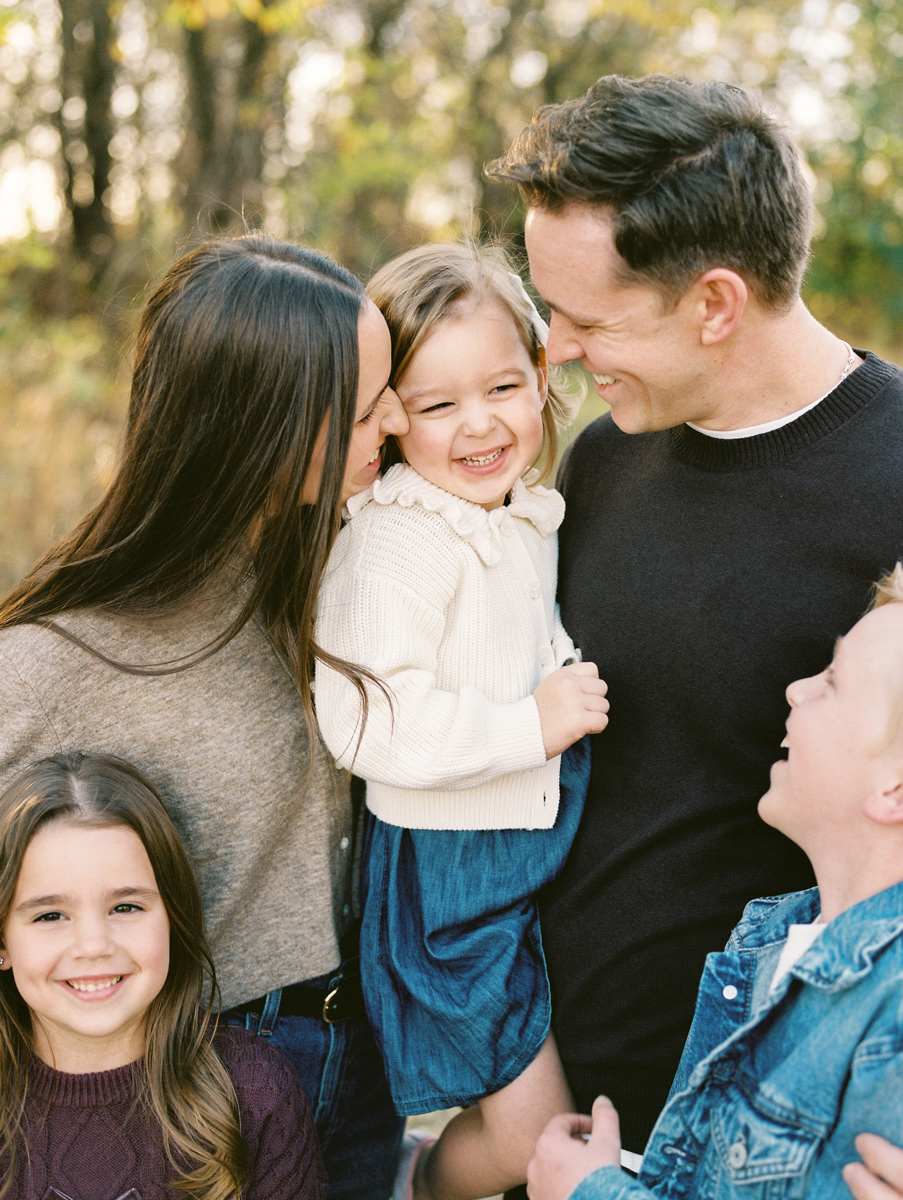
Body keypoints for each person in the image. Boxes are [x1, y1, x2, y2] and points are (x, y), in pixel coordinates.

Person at [485, 73, 903, 1165]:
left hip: (775, 1150)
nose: (557, 351)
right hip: (561, 1135)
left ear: (715, 303)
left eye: (585, 320)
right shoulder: (606, 456)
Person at [0, 233, 409, 1199]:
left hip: (366, 1064)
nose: (394, 417)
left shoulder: (360, 580)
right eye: (362, 407)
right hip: (206, 1091)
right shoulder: (54, 661)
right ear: (263, 432)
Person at [313, 242, 609, 1200]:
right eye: (438, 405)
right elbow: (364, 724)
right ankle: (412, 1189)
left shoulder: (510, 510)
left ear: (540, 381)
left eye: (503, 387)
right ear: (391, 417)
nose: (479, 425)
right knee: (532, 1140)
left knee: (549, 1112)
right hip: (450, 876)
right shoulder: (400, 538)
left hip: (518, 846)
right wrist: (530, 725)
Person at [525, 566, 903, 1200]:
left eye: (833, 683)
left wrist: (586, 1193)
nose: (796, 688)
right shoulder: (775, 936)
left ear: (893, 791)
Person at [0, 750, 326, 1199]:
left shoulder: (253, 1091)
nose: (94, 946)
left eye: (126, 907)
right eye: (51, 916)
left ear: (174, 916)